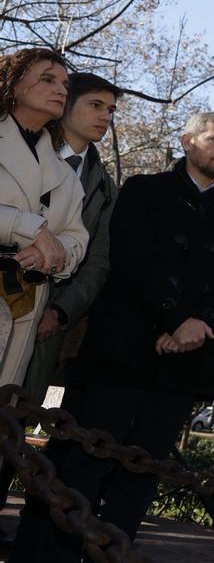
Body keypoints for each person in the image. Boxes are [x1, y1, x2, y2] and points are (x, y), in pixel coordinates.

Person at [11, 110, 214, 561]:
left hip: (183, 365)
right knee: (83, 468)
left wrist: (198, 326)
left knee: (140, 478)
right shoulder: (145, 191)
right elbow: (131, 262)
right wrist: (173, 320)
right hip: (121, 356)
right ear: (187, 141)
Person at [23, 72, 120, 404]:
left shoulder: (106, 189)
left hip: (49, 328)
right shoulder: (19, 153)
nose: (105, 116)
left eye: (111, 109)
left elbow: (99, 262)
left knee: (16, 425)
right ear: (65, 104)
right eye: (96, 105)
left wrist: (60, 313)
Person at [0, 48, 88, 388]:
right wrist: (31, 230)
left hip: (26, 300)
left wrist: (52, 251)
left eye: (65, 84)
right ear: (16, 83)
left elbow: (77, 238)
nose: (61, 90)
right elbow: (38, 227)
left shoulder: (64, 172)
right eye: (48, 79)